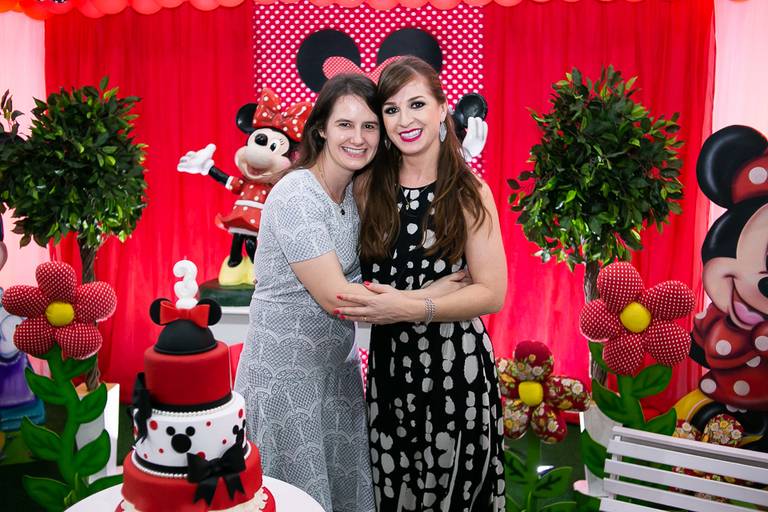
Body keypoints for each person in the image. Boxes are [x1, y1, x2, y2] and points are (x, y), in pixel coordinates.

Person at [336, 56, 507, 511]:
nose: (404, 120)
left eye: (416, 104)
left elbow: (491, 292)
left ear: (442, 109)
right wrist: (428, 294)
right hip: (392, 368)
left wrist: (411, 307)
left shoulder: (469, 190)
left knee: (455, 494)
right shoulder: (367, 186)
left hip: (457, 367)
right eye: (391, 110)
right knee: (397, 491)